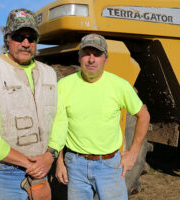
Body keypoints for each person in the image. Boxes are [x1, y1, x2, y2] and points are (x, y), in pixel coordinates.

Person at [53, 33, 150, 200]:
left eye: (97, 54)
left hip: (109, 165)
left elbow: (144, 116)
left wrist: (133, 153)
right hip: (75, 164)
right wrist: (59, 162)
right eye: (86, 54)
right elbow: (58, 126)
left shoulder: (119, 85)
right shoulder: (64, 86)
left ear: (106, 59)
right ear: (79, 57)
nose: (91, 59)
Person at [0, 8, 61, 200]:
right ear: (7, 38)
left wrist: (49, 156)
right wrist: (29, 163)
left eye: (31, 37)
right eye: (18, 36)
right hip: (3, 174)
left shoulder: (49, 73)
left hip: (42, 171)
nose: (25, 43)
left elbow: (60, 118)